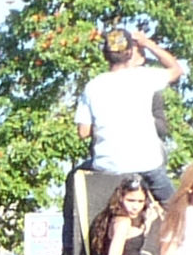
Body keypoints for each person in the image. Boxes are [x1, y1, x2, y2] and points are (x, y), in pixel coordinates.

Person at [73, 28, 183, 201]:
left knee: (74, 179)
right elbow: (176, 69)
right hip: (147, 165)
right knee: (176, 212)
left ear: (105, 54)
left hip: (107, 167)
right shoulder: (144, 76)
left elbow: (83, 132)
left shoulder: (92, 86)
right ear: (130, 52)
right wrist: (147, 43)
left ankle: (70, 228)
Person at [86, 178, 160, 255]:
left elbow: (132, 244)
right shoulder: (122, 222)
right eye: (130, 200)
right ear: (120, 199)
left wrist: (149, 221)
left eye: (140, 201)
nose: (135, 206)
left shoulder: (123, 221)